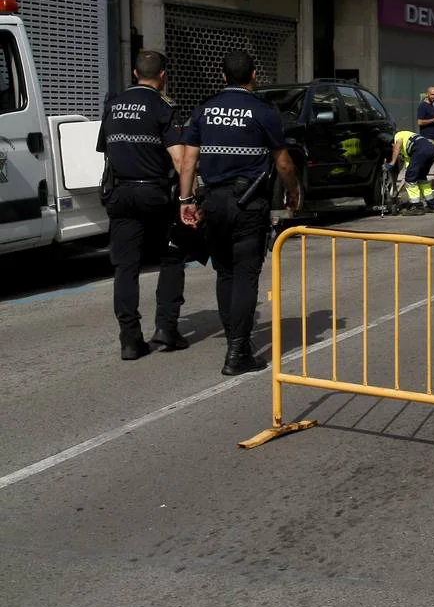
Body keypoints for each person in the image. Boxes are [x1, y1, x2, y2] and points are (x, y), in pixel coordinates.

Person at [178, 50, 301, 376]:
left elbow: (188, 162)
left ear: (222, 76)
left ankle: (236, 341)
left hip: (214, 203)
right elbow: (284, 162)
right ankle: (237, 352)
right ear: (254, 75)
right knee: (246, 275)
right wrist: (294, 193)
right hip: (249, 204)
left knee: (225, 274)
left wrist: (185, 200)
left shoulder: (203, 111)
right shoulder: (264, 111)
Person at [97, 50, 190, 360]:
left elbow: (107, 151)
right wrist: (190, 199)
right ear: (162, 76)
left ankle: (130, 340)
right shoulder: (163, 107)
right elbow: (179, 159)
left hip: (121, 194)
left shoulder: (112, 105)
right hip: (155, 195)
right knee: (172, 257)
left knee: (125, 268)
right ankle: (166, 329)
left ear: (135, 73)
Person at [387, 129, 434, 215]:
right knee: (421, 178)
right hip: (432, 151)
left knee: (411, 178)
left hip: (421, 151)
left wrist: (392, 162)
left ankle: (417, 207)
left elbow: (398, 145)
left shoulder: (398, 135)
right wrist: (397, 192)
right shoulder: (409, 147)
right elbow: (407, 177)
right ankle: (432, 205)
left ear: (393, 144)